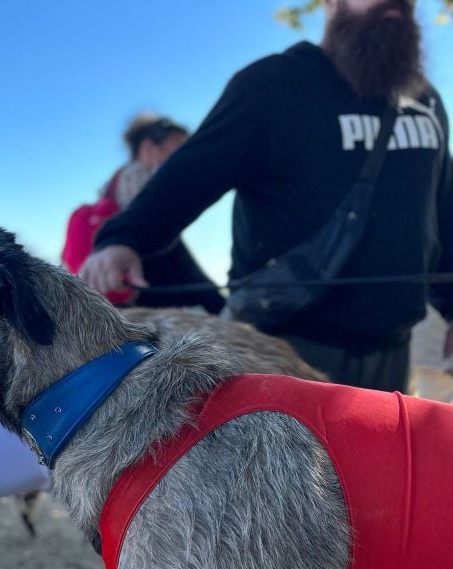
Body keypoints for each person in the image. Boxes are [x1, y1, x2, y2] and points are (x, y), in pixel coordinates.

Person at [80, 0, 452, 392]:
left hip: (391, 357)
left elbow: (442, 213)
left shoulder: (425, 101)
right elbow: (189, 174)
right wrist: (122, 239)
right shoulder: (272, 84)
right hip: (282, 351)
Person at [62, 115, 224, 314]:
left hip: (116, 329)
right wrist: (221, 307)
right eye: (179, 148)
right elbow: (181, 269)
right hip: (156, 328)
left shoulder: (119, 197)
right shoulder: (147, 203)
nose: (186, 157)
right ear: (149, 149)